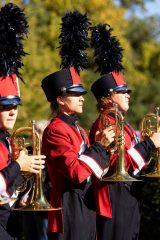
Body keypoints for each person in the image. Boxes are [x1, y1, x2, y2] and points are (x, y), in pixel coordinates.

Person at [89, 23, 160, 240]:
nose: (128, 94)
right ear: (108, 98)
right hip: (114, 198)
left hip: (128, 195)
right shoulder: (105, 123)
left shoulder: (123, 123)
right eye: (122, 91)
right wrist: (150, 144)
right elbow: (118, 165)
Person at [0, 3, 46, 240]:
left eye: (15, 107)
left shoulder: (7, 141)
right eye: (5, 107)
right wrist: (20, 166)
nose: (12, 113)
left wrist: (26, 189)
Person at [21, 120, 50, 240]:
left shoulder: (50, 153)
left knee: (43, 236)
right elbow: (23, 179)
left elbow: (50, 181)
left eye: (39, 134)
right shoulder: (27, 152)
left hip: (45, 204)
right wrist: (23, 195)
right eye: (34, 135)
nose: (35, 140)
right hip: (26, 205)